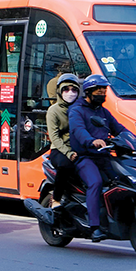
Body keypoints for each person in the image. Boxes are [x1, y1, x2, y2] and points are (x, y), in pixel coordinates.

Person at [68, 74, 136, 242]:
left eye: (104, 90)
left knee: (122, 182)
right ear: (88, 92)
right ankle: (95, 227)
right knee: (95, 183)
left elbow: (119, 129)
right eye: (98, 90)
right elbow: (78, 130)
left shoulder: (103, 112)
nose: (102, 93)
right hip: (84, 157)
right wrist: (91, 141)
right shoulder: (77, 110)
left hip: (103, 156)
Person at [46, 73, 81, 209]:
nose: (70, 93)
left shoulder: (80, 109)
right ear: (60, 91)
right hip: (60, 149)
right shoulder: (53, 111)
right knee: (65, 166)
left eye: (74, 90)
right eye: (66, 89)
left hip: (78, 148)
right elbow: (54, 137)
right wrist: (68, 153)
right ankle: (56, 198)